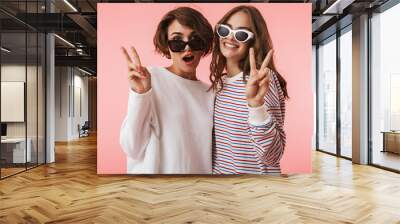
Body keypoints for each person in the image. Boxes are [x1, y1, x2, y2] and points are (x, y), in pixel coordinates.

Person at [120, 7, 214, 174]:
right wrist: (141, 95)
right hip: (155, 194)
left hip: (198, 193)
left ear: (204, 45)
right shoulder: (150, 79)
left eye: (195, 40)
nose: (187, 48)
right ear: (167, 46)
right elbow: (131, 147)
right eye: (177, 41)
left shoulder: (211, 93)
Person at [210, 5, 288, 174]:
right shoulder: (219, 84)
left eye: (241, 34)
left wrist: (256, 105)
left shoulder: (261, 80)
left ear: (254, 42)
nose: (230, 38)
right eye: (225, 30)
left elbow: (273, 156)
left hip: (256, 191)